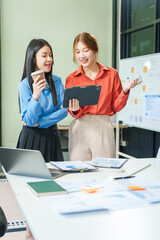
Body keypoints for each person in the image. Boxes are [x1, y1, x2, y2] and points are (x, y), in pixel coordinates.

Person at [65, 32, 142, 161]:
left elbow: (116, 106)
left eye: (86, 50)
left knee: (105, 172)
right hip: (80, 127)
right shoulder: (72, 78)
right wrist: (74, 109)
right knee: (78, 173)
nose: (81, 56)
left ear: (95, 50)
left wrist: (126, 90)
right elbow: (74, 113)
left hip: (103, 127)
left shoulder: (111, 74)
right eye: (77, 52)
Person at [17, 39, 68, 162]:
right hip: (31, 138)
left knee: (54, 178)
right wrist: (35, 96)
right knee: (29, 179)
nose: (49, 59)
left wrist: (41, 122)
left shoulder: (57, 81)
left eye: (50, 55)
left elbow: (64, 110)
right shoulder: (24, 85)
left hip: (52, 137)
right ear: (33, 58)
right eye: (44, 55)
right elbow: (29, 120)